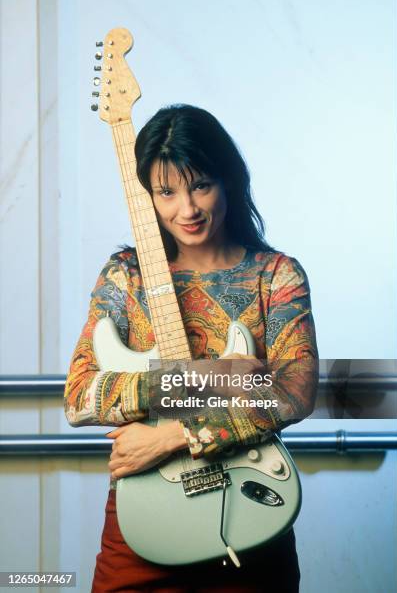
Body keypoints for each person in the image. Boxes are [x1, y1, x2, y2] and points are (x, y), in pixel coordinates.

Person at [64, 104, 318, 592]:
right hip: (143, 516)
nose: (188, 209)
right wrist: (212, 375)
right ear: (148, 196)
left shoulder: (276, 276)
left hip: (249, 509)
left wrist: (173, 437)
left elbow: (294, 392)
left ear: (228, 179)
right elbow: (79, 397)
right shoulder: (125, 276)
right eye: (167, 192)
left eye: (201, 184)